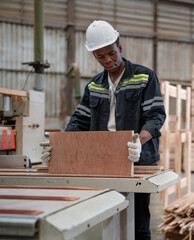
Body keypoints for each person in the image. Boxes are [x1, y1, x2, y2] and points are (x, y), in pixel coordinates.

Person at [42, 20, 166, 240]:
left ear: (120, 47)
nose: (108, 60)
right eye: (100, 56)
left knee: (138, 224)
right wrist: (57, 147)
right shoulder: (94, 85)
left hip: (138, 158)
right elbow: (78, 121)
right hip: (102, 161)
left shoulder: (144, 77)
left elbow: (155, 117)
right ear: (94, 56)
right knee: (104, 218)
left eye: (111, 53)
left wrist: (140, 141)